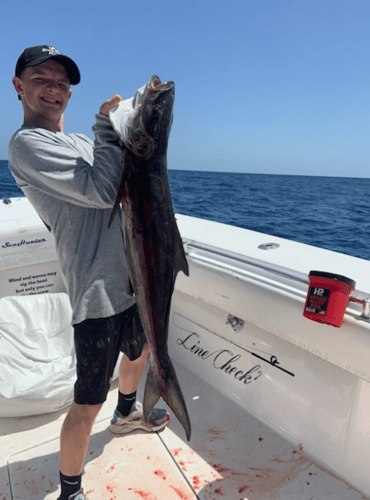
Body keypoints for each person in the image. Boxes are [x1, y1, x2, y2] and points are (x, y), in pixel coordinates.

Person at [9, 45, 169, 500]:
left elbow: (125, 184)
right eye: (42, 79)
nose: (53, 89)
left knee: (137, 352)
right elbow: (103, 193)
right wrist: (107, 125)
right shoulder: (27, 145)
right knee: (87, 401)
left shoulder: (80, 142)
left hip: (131, 274)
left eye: (62, 83)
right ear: (19, 87)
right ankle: (71, 491)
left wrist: (130, 136)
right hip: (96, 289)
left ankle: (126, 415)